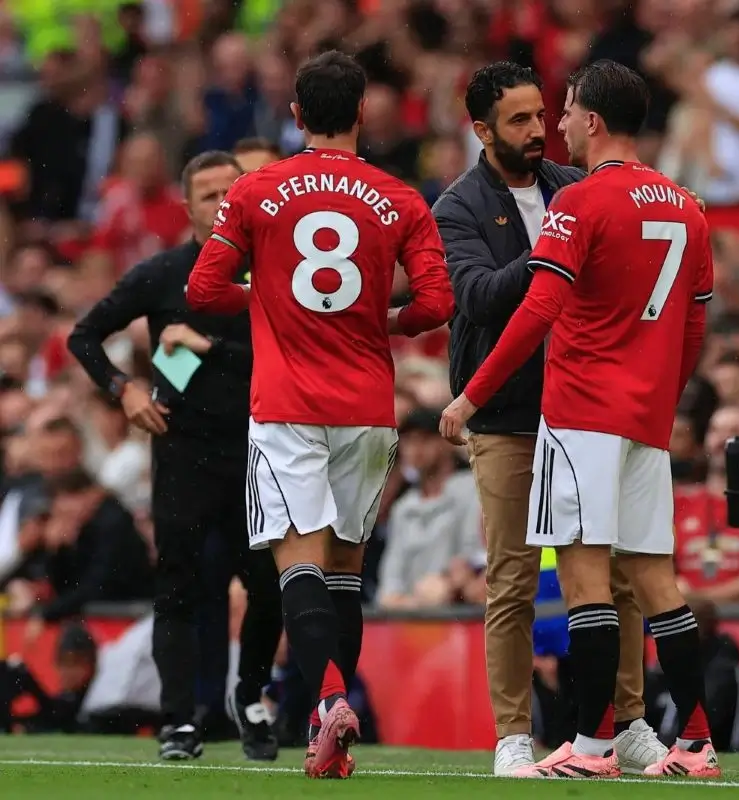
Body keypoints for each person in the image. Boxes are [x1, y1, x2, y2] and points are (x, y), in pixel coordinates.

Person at [440, 60, 719, 780]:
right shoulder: (686, 204)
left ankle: (595, 746)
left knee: (591, 580)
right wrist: (664, 393)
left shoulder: (582, 199)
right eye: (530, 118)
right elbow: (692, 324)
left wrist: (468, 396)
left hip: (581, 412)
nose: (552, 126)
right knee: (653, 580)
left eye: (559, 112)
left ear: (591, 120)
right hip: (639, 420)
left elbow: (538, 309)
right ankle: (694, 742)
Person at [186, 50, 454, 779]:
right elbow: (436, 304)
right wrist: (380, 317)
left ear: (296, 115)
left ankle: (329, 701)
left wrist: (272, 300)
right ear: (363, 113)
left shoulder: (255, 191)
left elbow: (204, 287)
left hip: (287, 406)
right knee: (344, 570)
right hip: (368, 406)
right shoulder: (400, 198)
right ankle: (323, 735)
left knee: (294, 561)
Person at [67, 150, 284, 762]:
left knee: (268, 588)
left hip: (259, 455)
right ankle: (178, 721)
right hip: (184, 456)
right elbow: (83, 336)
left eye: (230, 191)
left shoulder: (273, 272)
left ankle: (250, 695)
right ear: (187, 208)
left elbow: (288, 360)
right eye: (209, 194)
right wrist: (124, 388)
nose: (221, 203)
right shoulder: (163, 274)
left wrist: (205, 346)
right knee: (179, 590)